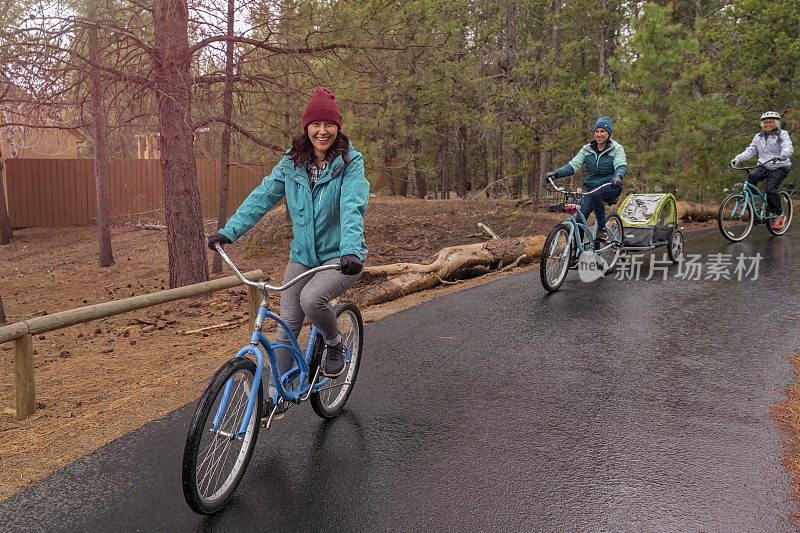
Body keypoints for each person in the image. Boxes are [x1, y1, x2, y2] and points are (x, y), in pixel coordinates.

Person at [207, 86, 369, 416]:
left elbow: (353, 205)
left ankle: (335, 345)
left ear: (337, 127)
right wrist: (229, 232)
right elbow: (261, 197)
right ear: (306, 127)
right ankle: (272, 396)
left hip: (341, 256)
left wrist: (352, 250)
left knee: (312, 300)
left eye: (329, 124)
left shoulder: (350, 162)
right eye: (315, 124)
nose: (322, 131)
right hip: (303, 256)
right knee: (286, 325)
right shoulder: (291, 163)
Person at [546, 116, 627, 244]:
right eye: (597, 131)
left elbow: (621, 165)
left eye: (603, 131)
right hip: (590, 188)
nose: (599, 134)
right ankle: (576, 256)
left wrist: (618, 176)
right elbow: (573, 166)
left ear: (608, 133)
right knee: (579, 220)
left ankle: (602, 229)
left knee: (597, 194)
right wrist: (556, 173)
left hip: (610, 186)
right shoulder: (587, 149)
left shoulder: (617, 149)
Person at [731, 111, 793, 230]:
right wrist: (737, 159)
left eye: (770, 122)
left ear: (775, 123)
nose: (767, 124)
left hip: (780, 165)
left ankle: (780, 215)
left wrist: (783, 155)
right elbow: (750, 151)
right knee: (751, 177)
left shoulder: (782, 134)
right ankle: (754, 207)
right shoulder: (758, 137)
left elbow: (788, 146)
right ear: (762, 124)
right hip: (764, 165)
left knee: (770, 189)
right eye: (765, 122)